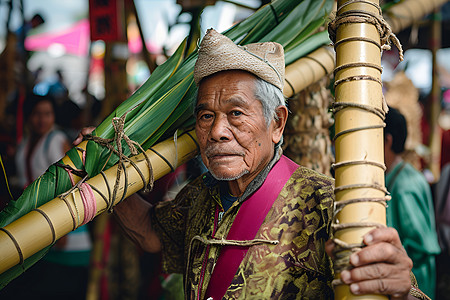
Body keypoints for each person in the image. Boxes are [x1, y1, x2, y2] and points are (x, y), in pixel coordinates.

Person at [76, 29, 421, 299]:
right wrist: (106, 171)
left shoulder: (326, 204)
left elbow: (391, 285)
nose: (217, 132)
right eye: (206, 116)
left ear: (277, 123)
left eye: (236, 114)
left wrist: (399, 289)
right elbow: (153, 234)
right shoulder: (199, 197)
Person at [384, 106, 440, 299]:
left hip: (414, 285)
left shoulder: (405, 185)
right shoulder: (398, 176)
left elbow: (421, 245)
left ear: (387, 140)